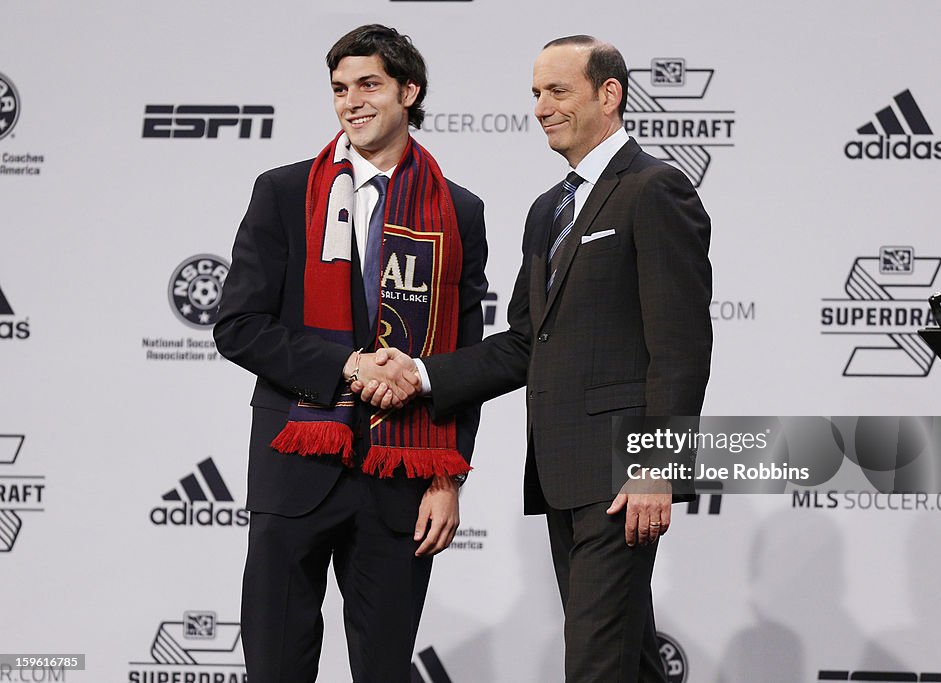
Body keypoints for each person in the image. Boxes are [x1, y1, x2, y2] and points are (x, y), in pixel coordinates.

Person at [358, 34, 712, 682]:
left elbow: (681, 343)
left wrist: (656, 465)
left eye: (557, 90)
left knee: (597, 663)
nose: (542, 107)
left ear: (609, 95)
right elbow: (525, 341)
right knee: (627, 657)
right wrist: (422, 374)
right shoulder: (546, 209)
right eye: (535, 94)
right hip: (560, 470)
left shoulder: (655, 189)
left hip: (620, 472)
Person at [213, 24, 488, 683]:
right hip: (295, 470)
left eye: (369, 84)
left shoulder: (458, 210)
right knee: (275, 668)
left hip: (401, 480)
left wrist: (447, 477)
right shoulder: (283, 192)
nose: (351, 101)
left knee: (384, 671)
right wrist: (346, 365)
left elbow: (465, 359)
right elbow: (238, 325)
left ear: (408, 91)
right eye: (340, 88)